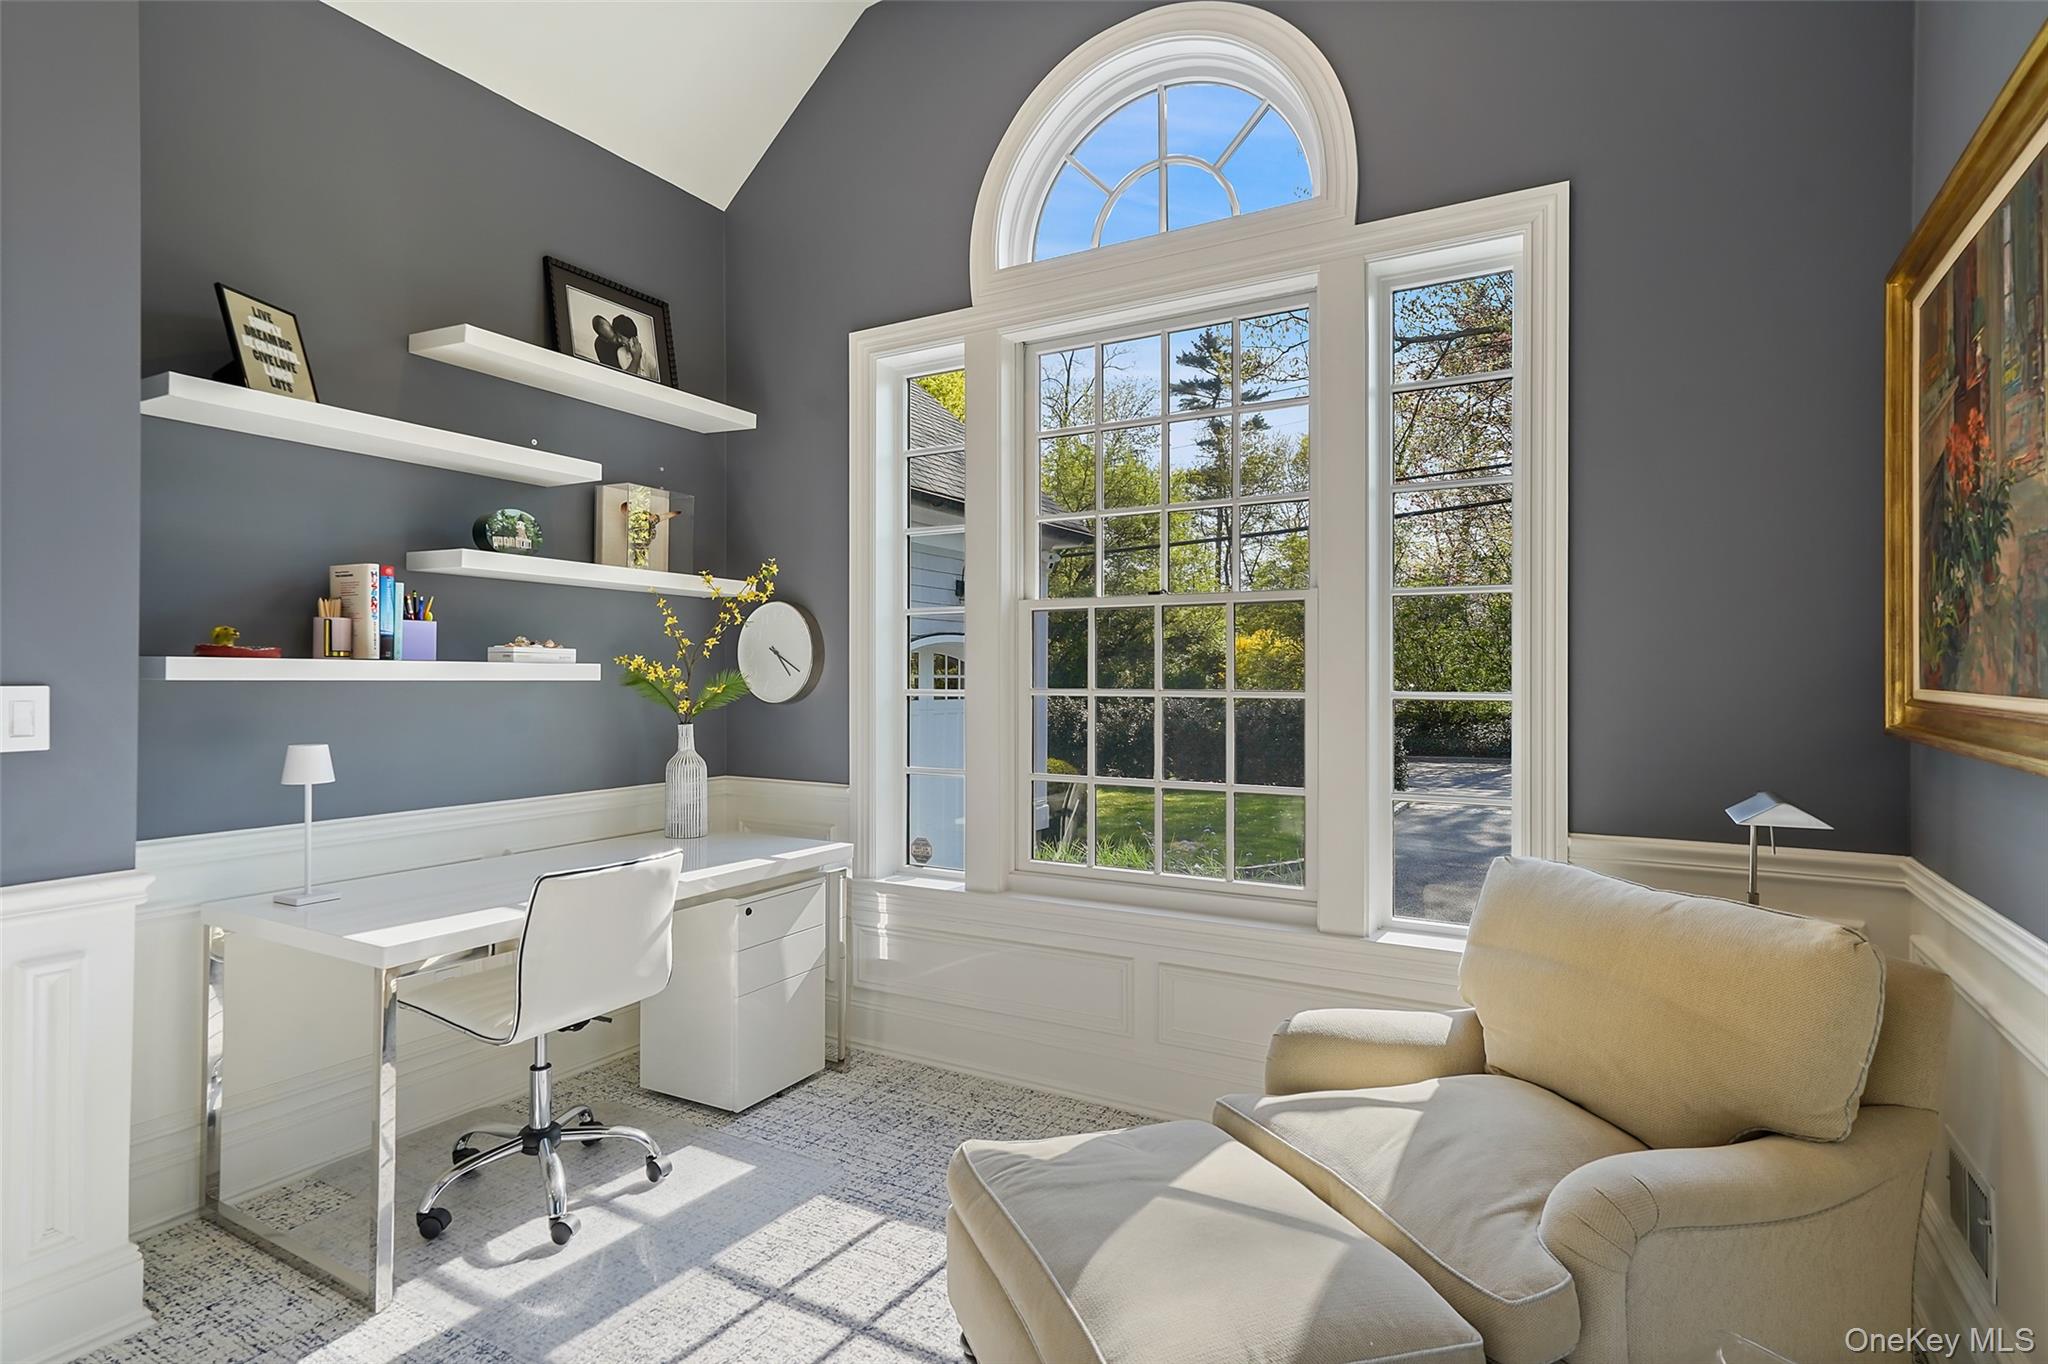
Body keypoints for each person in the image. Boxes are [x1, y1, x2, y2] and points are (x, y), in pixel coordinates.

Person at [591, 312, 657, 381]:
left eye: (616, 334)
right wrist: (636, 358)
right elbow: (620, 379)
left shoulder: (650, 361)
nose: (619, 340)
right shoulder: (602, 347)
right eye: (614, 339)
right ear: (605, 339)